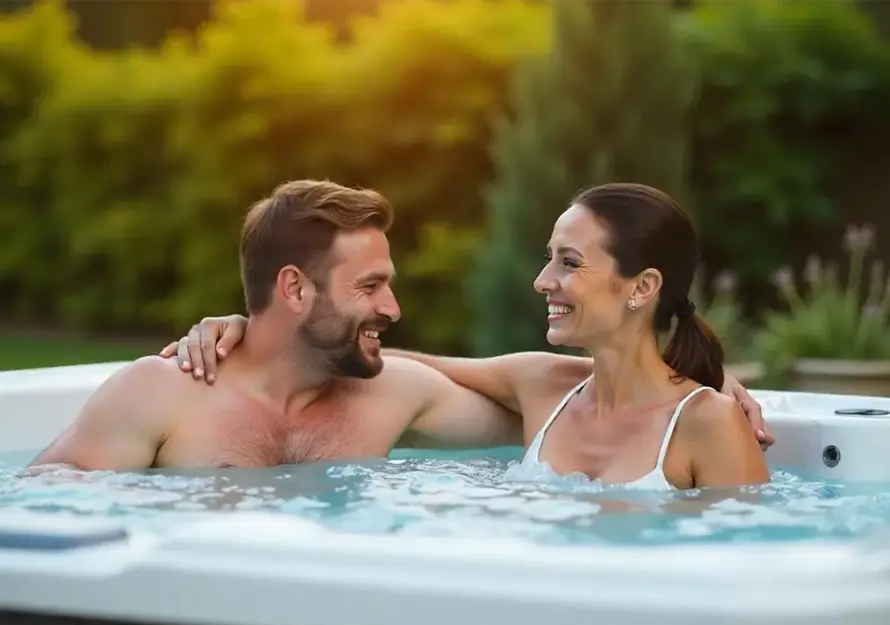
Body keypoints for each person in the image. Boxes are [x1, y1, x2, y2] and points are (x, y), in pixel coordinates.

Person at [162, 183, 773, 489]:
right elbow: (386, 359)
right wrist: (258, 332)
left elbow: (748, 578)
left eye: (568, 262)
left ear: (642, 287)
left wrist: (707, 384)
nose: (542, 281)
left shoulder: (707, 423)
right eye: (549, 258)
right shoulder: (540, 388)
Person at [29, 179, 523, 471]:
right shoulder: (161, 393)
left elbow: (554, 423)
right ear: (295, 290)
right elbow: (40, 515)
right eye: (369, 286)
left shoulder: (397, 393)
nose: (393, 309)